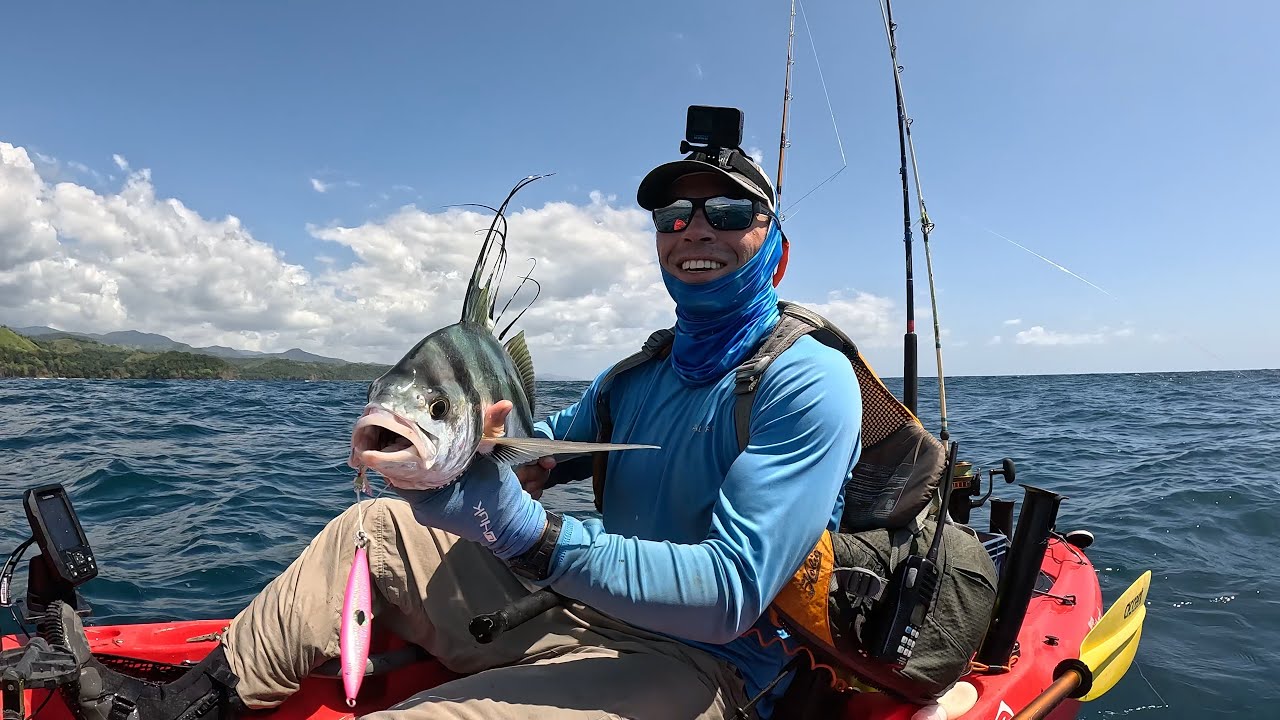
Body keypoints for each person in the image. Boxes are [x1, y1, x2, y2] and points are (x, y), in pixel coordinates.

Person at [48, 131, 863, 720]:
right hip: (585, 612)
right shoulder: (634, 378)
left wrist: (527, 535)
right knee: (372, 523)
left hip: (711, 666)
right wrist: (462, 458)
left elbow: (729, 596)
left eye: (727, 211)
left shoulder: (807, 379)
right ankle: (189, 705)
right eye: (673, 215)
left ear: (775, 250)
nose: (696, 229)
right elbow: (532, 452)